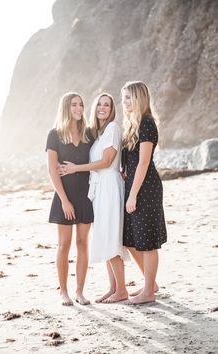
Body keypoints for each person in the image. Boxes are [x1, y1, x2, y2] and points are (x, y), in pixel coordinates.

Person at [60, 93, 129, 303]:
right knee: (104, 234)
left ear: (112, 109)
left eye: (107, 105)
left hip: (109, 186)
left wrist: (75, 169)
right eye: (99, 104)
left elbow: (107, 162)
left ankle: (122, 290)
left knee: (110, 236)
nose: (102, 108)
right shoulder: (98, 134)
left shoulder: (112, 128)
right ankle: (113, 287)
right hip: (99, 189)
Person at [45, 92, 94, 306]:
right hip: (64, 196)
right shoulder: (54, 134)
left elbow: (101, 160)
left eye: (81, 104)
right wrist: (64, 200)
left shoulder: (89, 134)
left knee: (83, 243)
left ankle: (80, 291)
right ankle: (63, 291)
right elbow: (52, 170)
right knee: (64, 244)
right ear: (66, 107)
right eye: (74, 104)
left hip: (86, 195)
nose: (79, 108)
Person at [121, 81, 167, 305]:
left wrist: (132, 195)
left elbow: (143, 162)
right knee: (130, 239)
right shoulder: (132, 124)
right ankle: (151, 283)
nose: (125, 102)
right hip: (134, 186)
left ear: (139, 98)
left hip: (146, 188)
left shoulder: (147, 123)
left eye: (129, 97)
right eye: (124, 98)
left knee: (148, 242)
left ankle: (148, 291)